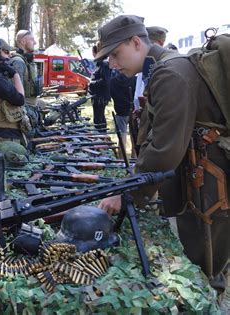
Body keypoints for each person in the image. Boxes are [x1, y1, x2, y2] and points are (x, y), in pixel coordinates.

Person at [95, 15, 229, 297]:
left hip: (208, 184)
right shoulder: (164, 67)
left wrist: (128, 194)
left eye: (116, 54)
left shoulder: (169, 73)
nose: (113, 64)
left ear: (135, 42)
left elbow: (165, 149)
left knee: (204, 265)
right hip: (204, 176)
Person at [133, 26, 169, 155]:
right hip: (144, 120)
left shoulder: (164, 67)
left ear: (159, 44)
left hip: (155, 127)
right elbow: (138, 95)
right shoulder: (146, 64)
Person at [11, 30, 43, 138]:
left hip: (31, 108)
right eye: (32, 39)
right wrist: (24, 115)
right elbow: (14, 92)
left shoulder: (26, 61)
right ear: (23, 41)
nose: (35, 42)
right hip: (24, 111)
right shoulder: (18, 62)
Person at [109, 72, 136, 158]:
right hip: (132, 110)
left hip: (120, 110)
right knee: (134, 134)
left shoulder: (113, 81)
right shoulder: (134, 80)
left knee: (122, 135)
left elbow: (112, 95)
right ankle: (134, 156)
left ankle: (121, 157)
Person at [89, 45, 111, 132]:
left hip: (100, 97)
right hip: (96, 96)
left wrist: (92, 83)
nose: (93, 55)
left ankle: (102, 137)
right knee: (98, 118)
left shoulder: (104, 64)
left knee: (99, 119)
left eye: (93, 53)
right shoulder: (100, 64)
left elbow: (105, 81)